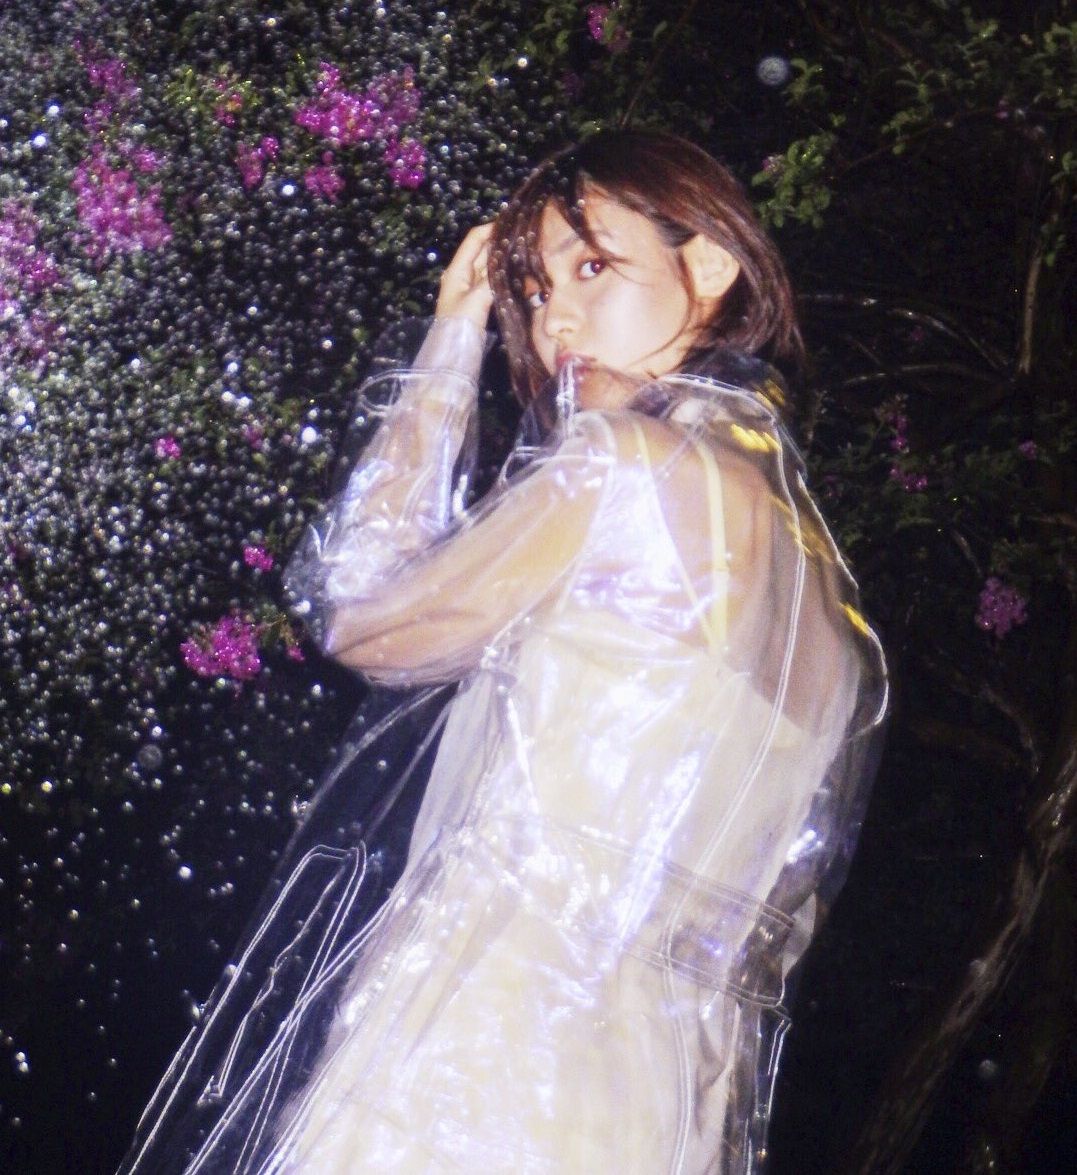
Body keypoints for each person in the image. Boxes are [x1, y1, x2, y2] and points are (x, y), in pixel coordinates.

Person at [121, 130, 886, 1174]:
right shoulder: (828, 604)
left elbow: (362, 613)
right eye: (529, 290)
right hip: (658, 1107)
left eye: (593, 266)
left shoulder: (628, 466)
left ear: (709, 266)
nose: (554, 318)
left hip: (481, 1061)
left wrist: (449, 336)